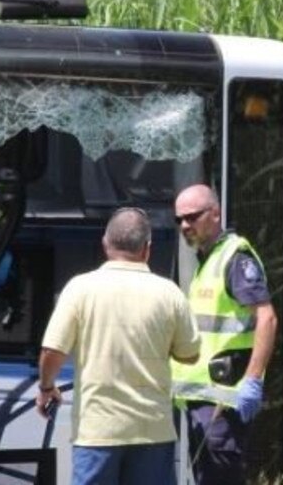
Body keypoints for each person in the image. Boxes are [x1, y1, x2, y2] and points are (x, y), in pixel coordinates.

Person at [36, 207, 200, 485]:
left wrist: (46, 387)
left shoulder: (80, 288)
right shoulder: (169, 293)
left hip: (98, 431)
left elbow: (53, 351)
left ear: (105, 244)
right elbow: (190, 354)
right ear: (147, 249)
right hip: (153, 431)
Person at [171, 184, 278, 485]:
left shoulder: (234, 259)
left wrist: (253, 380)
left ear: (215, 213)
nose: (185, 226)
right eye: (179, 220)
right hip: (203, 400)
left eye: (192, 217)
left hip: (224, 400)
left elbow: (267, 318)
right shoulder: (207, 260)